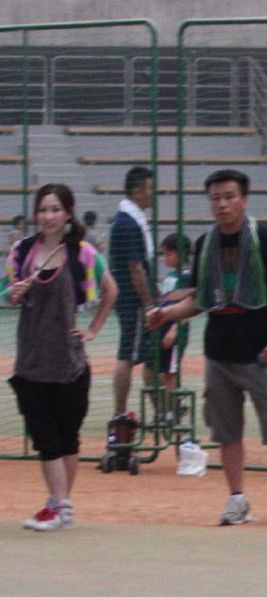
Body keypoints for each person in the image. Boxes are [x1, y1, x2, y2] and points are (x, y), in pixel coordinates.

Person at [145, 169, 267, 526]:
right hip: (219, 353)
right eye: (215, 198)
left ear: (244, 199)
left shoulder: (266, 237)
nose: (222, 204)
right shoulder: (205, 244)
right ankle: (237, 499)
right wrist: (166, 314)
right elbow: (199, 300)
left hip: (259, 352)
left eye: (229, 196)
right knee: (226, 431)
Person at [6, 184, 117, 531]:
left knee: (67, 439)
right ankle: (59, 504)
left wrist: (93, 328)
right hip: (32, 363)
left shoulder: (82, 253)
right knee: (45, 439)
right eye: (42, 210)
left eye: (55, 209)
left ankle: (59, 504)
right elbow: (8, 294)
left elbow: (111, 290)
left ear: (68, 213)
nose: (48, 216)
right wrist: (14, 292)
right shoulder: (23, 251)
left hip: (70, 364)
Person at [108, 166, 157, 416]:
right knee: (127, 355)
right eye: (150, 189)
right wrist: (148, 303)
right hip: (133, 300)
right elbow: (135, 268)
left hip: (128, 297)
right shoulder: (128, 223)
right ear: (138, 191)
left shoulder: (128, 218)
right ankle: (119, 415)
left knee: (144, 354)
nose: (153, 194)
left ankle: (161, 408)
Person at [153, 233, 192, 392]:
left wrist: (174, 330)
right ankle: (171, 402)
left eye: (168, 254)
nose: (165, 258)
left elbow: (188, 306)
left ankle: (174, 403)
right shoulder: (171, 276)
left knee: (170, 372)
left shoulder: (187, 276)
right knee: (162, 371)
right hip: (163, 327)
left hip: (174, 331)